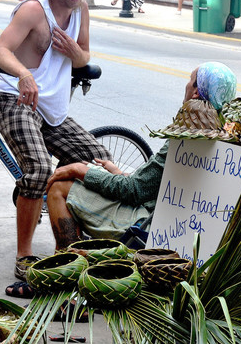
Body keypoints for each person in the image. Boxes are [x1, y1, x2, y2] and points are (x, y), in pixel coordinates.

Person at [0, 0, 112, 295]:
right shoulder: (32, 10)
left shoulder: (81, 10)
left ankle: (68, 245)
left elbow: (85, 55)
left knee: (97, 158)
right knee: (39, 169)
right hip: (13, 96)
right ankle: (24, 255)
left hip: (50, 110)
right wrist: (24, 74)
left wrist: (75, 53)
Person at [45, 69, 208, 251]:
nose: (186, 84)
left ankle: (66, 264)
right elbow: (153, 184)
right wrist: (118, 173)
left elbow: (133, 190)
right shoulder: (218, 136)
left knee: (59, 187)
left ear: (195, 92)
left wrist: (80, 171)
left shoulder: (185, 140)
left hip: (147, 224)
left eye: (190, 80)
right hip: (167, 217)